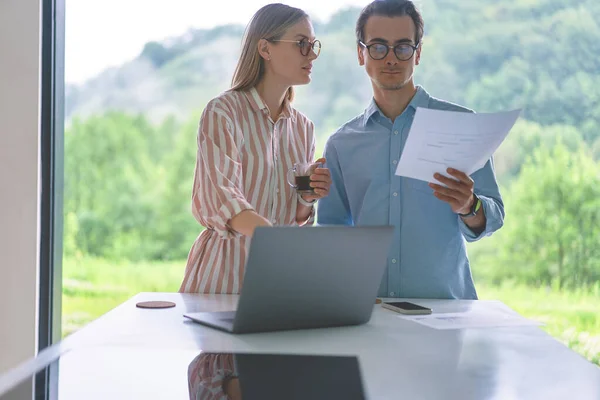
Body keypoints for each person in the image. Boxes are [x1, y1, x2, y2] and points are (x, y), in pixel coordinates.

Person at [317, 0, 504, 300]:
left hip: (446, 312)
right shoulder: (341, 144)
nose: (391, 58)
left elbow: (493, 214)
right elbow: (331, 230)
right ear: (360, 53)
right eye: (378, 46)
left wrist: (470, 205)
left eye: (402, 47)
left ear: (418, 53)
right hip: (368, 312)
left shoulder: (460, 124)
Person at [180, 4, 331, 294]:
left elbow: (297, 218)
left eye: (313, 45)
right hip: (222, 278)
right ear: (265, 48)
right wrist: (278, 246)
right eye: (301, 44)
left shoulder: (304, 128)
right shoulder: (222, 112)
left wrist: (308, 196)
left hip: (277, 281)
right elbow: (223, 199)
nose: (311, 54)